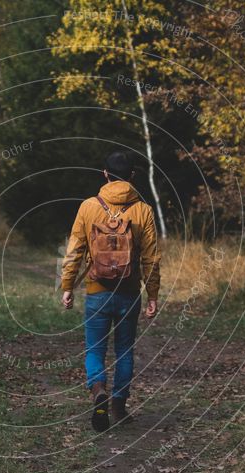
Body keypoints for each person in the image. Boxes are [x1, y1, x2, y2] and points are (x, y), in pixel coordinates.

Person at [60, 151, 161, 432]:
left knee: (95, 348)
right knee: (125, 350)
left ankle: (98, 391)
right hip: (129, 293)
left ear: (105, 174)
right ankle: (118, 406)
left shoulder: (88, 207)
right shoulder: (143, 210)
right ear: (132, 176)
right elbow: (151, 257)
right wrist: (153, 294)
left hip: (97, 290)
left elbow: (75, 251)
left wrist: (67, 286)